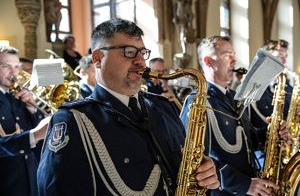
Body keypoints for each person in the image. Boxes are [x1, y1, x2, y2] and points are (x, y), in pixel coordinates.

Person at [37, 19, 219, 195]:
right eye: (129, 52)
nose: (141, 61)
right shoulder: (72, 121)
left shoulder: (164, 108)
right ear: (98, 58)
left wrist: (204, 176)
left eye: (143, 53)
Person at [180, 36, 290, 196]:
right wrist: (244, 184)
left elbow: (249, 139)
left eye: (233, 54)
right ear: (208, 61)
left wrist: (272, 133)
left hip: (251, 186)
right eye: (226, 55)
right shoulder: (197, 102)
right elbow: (193, 159)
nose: (234, 60)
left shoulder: (234, 97)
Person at [0, 45, 45, 196]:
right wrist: (35, 134)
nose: (14, 72)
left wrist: (32, 108)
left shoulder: (17, 94)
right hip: (7, 179)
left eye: (16, 66)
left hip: (30, 173)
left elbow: (35, 127)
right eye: (6, 66)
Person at [251, 39, 293, 167]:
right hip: (264, 150)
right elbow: (254, 124)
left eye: (285, 57)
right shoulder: (254, 88)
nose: (284, 62)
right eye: (279, 57)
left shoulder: (288, 87)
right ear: (266, 60)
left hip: (287, 145)